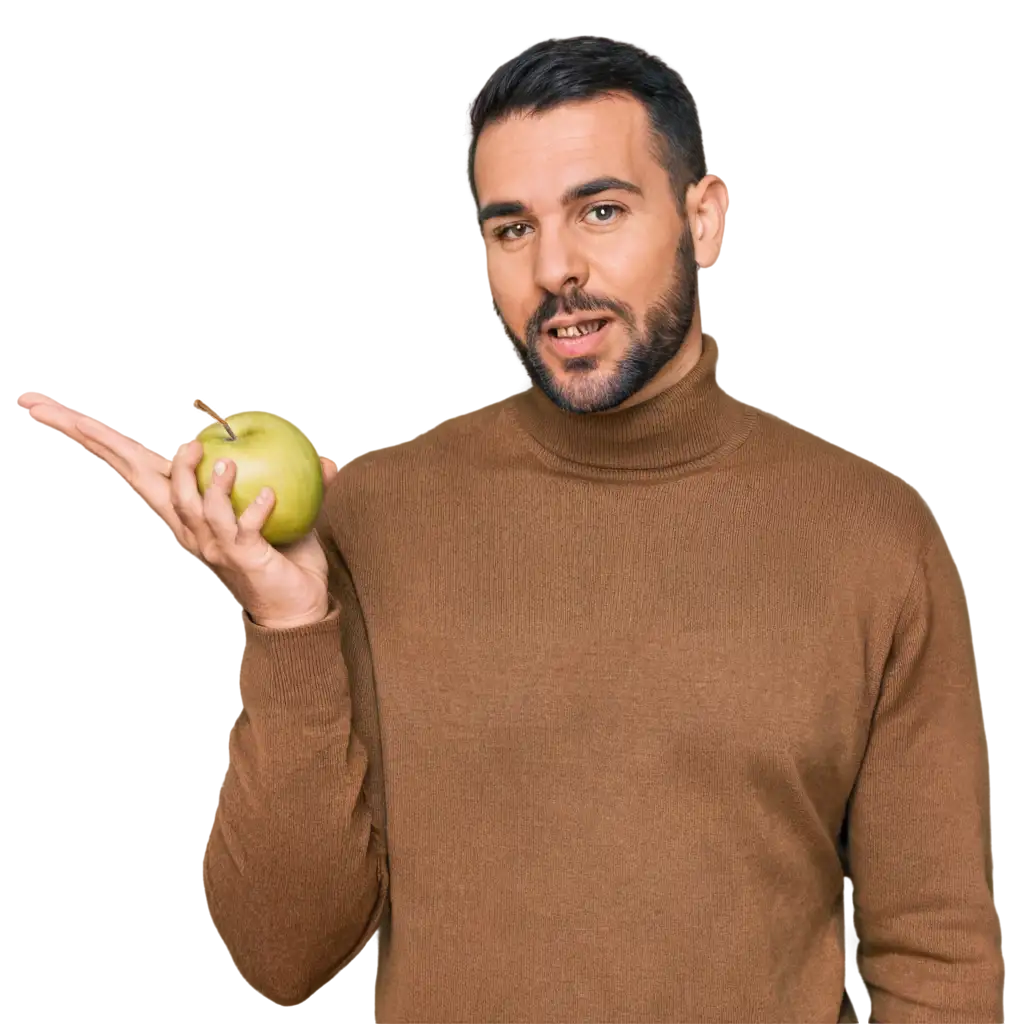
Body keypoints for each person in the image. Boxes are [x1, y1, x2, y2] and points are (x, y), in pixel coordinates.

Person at [15, 32, 1001, 1024]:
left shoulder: (866, 534)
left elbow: (933, 951)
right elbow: (283, 951)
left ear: (703, 218)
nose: (556, 268)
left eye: (600, 211)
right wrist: (287, 622)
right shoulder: (376, 513)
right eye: (511, 229)